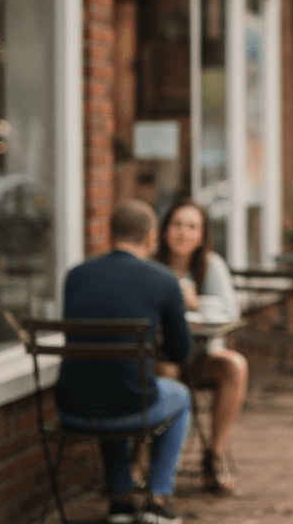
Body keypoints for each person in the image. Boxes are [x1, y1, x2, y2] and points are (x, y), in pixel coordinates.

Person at [56, 200, 192, 524]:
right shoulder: (163, 279)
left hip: (70, 407)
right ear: (150, 237)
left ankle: (120, 501)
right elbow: (181, 353)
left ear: (108, 233)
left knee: (109, 380)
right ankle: (157, 501)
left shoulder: (76, 275)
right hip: (129, 408)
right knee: (178, 396)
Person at [153, 198, 249, 494]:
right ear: (164, 229)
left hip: (200, 358)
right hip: (161, 358)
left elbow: (231, 313)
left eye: (192, 226)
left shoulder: (212, 266)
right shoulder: (153, 267)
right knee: (166, 369)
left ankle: (214, 456)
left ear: (202, 235)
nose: (183, 232)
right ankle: (155, 463)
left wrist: (197, 304)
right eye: (177, 224)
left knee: (235, 366)